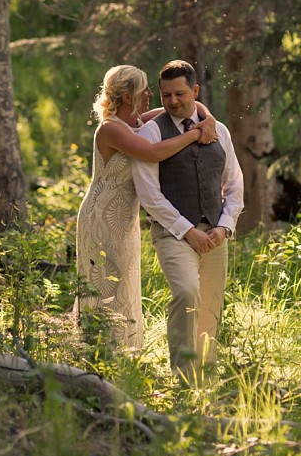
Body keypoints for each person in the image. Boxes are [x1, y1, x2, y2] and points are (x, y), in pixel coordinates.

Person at [75, 65, 217, 350]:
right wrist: (195, 133)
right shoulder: (110, 129)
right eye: (145, 89)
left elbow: (192, 105)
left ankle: (122, 349)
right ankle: (98, 349)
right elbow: (153, 153)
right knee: (105, 282)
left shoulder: (138, 121)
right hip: (101, 216)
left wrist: (208, 119)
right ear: (129, 96)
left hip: (124, 218)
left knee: (123, 281)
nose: (152, 93)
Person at [131, 60, 244, 384]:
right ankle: (182, 378)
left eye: (180, 94)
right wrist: (188, 231)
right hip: (173, 233)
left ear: (195, 91)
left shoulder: (218, 130)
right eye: (166, 96)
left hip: (215, 233)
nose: (173, 102)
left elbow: (234, 183)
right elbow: (150, 195)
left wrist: (225, 225)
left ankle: (205, 379)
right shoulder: (152, 132)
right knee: (186, 292)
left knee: (209, 306)